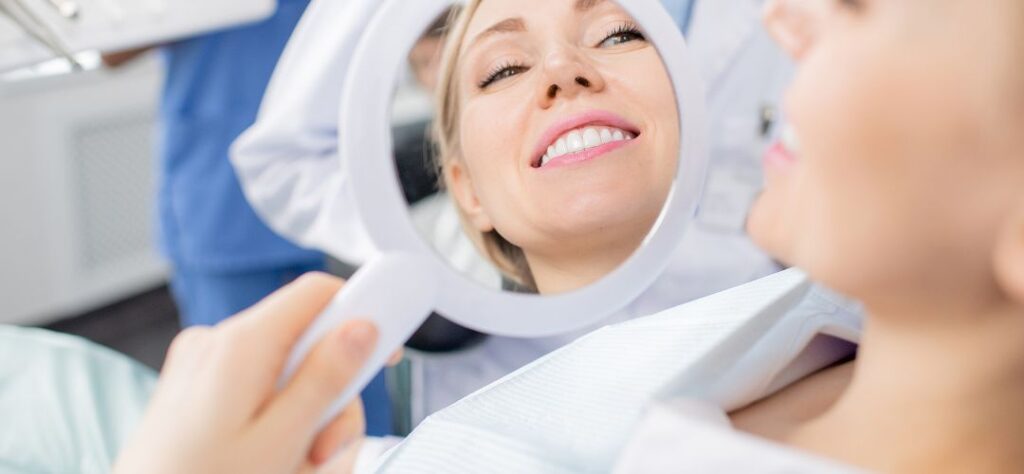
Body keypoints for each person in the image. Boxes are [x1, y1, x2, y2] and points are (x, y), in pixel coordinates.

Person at [114, 0, 1024, 471]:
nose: (791, 20)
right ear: (463, 191)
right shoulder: (822, 326)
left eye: (857, 6)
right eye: (503, 66)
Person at [231, 0, 793, 421]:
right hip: (510, 376)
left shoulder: (819, 379)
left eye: (619, 35)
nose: (563, 70)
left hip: (750, 350)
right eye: (503, 70)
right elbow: (288, 156)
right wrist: (429, 267)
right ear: (465, 189)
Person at [101, 0, 392, 435]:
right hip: (219, 201)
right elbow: (110, 47)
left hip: (336, 197)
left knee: (361, 402)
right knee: (237, 409)